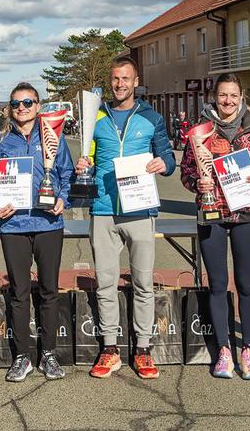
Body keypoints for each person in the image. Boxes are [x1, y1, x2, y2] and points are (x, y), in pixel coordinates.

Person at [75, 56, 176, 380]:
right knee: (105, 283)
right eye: (115, 79)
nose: (120, 84)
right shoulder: (96, 115)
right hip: (103, 209)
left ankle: (143, 349)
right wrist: (82, 165)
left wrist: (163, 165)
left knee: (143, 283)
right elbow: (86, 157)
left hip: (139, 209)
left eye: (125, 79)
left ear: (136, 82)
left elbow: (169, 158)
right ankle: (110, 348)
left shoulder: (151, 117)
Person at [179, 73, 250, 380]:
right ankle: (223, 351)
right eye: (223, 95)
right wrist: (198, 182)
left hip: (246, 213)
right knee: (217, 285)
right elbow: (186, 173)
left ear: (242, 96)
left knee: (246, 285)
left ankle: (248, 350)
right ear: (214, 97)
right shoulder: (199, 132)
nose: (228, 101)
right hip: (212, 214)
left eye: (233, 95)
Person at [0, 83, 73, 382]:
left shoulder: (54, 136)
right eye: (16, 104)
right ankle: (22, 356)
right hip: (14, 226)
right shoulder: (0, 142)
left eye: (28, 102)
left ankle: (48, 354)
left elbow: (67, 174)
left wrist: (63, 198)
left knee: (49, 291)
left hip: (49, 224)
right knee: (19, 293)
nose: (22, 108)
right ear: (10, 108)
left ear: (39, 106)